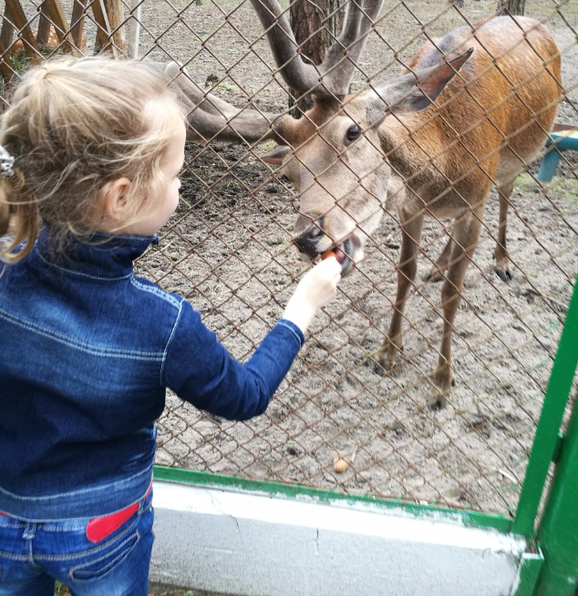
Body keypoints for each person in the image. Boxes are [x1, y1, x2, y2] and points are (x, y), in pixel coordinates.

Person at [0, 56, 342, 596]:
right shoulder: (162, 323)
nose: (181, 186)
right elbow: (245, 395)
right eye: (177, 174)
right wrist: (303, 306)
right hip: (102, 531)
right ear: (121, 198)